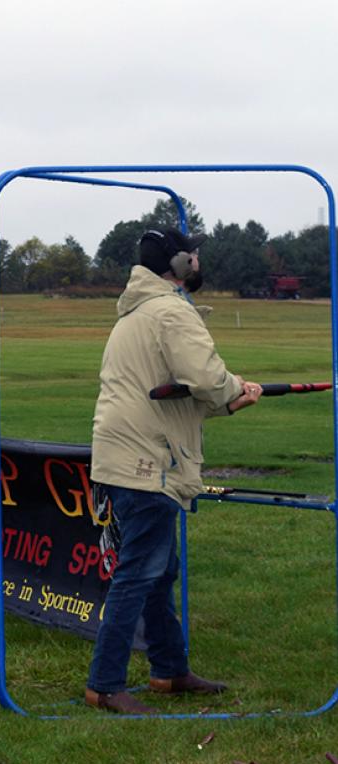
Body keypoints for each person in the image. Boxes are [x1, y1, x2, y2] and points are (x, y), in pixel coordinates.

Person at [85, 227, 263, 714]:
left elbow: (176, 396)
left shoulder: (141, 311)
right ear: (180, 265)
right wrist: (234, 391)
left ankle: (168, 670)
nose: (200, 260)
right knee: (140, 574)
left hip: (131, 454)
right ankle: (104, 685)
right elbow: (205, 378)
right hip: (148, 460)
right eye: (195, 254)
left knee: (158, 572)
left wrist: (227, 403)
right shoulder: (170, 311)